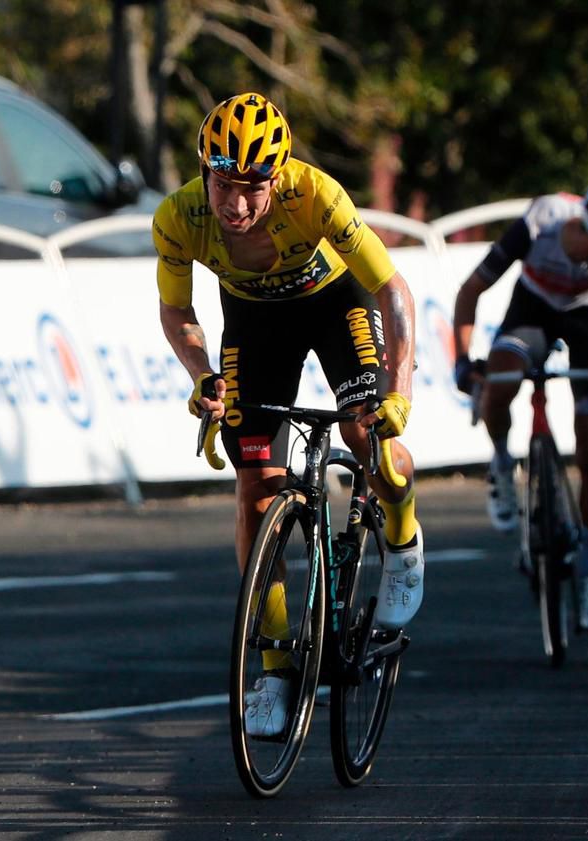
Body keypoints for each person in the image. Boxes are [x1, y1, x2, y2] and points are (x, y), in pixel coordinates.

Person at [154, 92, 425, 738]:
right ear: (203, 170)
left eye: (253, 187)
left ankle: (405, 537)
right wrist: (204, 378)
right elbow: (177, 311)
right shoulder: (178, 217)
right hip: (255, 321)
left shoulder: (317, 196)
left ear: (278, 177)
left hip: (335, 302)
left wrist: (399, 387)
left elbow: (391, 288)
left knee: (366, 432)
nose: (237, 204)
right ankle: (276, 667)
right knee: (254, 490)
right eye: (224, 183)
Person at [451, 175, 588, 631]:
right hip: (533, 309)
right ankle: (502, 460)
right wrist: (463, 360)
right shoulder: (541, 223)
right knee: (500, 380)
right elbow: (471, 291)